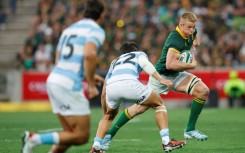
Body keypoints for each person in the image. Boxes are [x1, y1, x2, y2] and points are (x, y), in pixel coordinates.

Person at [101, 11, 209, 151]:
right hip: (162, 76)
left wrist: (194, 44)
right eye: (189, 27)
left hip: (176, 75)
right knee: (139, 108)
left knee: (203, 91)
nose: (192, 30)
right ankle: (109, 135)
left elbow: (195, 39)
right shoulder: (174, 39)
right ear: (180, 25)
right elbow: (170, 64)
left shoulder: (191, 32)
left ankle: (190, 130)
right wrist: (191, 65)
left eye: (193, 27)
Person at [21, 0, 106, 153]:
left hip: (53, 79)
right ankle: (34, 138)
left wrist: (90, 78)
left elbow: (59, 59)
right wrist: (91, 86)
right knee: (81, 136)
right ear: (102, 15)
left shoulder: (69, 29)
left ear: (84, 13)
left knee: (69, 134)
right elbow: (89, 55)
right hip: (68, 85)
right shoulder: (96, 30)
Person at [90, 42, 186, 153]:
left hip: (112, 87)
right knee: (158, 104)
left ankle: (96, 146)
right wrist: (161, 80)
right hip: (130, 84)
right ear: (135, 50)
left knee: (108, 117)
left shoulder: (114, 62)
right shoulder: (139, 54)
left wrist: (106, 113)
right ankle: (166, 142)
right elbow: (145, 64)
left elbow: (103, 92)